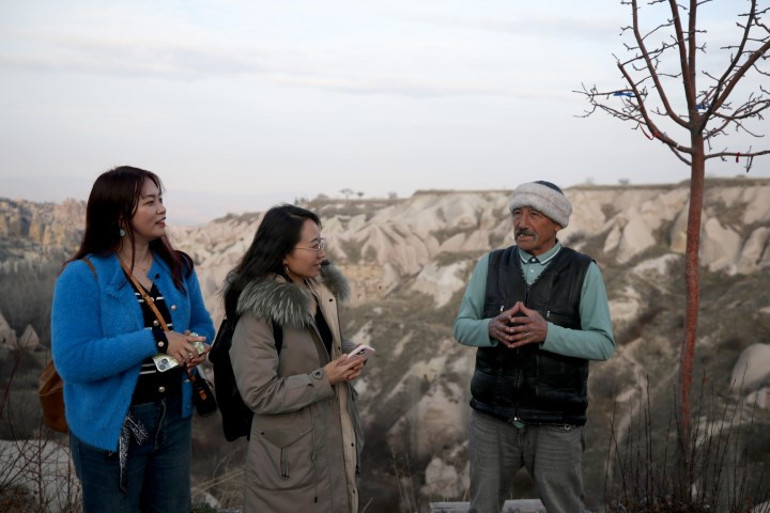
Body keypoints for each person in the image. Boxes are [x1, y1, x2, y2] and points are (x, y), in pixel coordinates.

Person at [51, 166, 215, 513]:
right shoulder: (83, 276)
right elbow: (73, 360)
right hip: (113, 427)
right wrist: (155, 340)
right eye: (150, 202)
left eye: (161, 200)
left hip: (172, 419)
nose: (162, 210)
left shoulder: (178, 266)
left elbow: (202, 323)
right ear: (120, 215)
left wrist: (197, 347)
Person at [454, 180, 615, 513]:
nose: (522, 223)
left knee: (565, 507)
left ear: (556, 223)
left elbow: (602, 344)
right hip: (492, 419)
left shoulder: (584, 271)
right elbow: (462, 328)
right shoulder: (491, 264)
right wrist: (489, 328)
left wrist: (547, 333)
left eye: (534, 214)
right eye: (517, 213)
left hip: (556, 421)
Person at [223, 204, 365, 513]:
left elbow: (311, 347)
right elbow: (259, 393)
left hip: (328, 447)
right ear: (284, 253)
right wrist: (326, 378)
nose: (322, 254)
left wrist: (348, 353)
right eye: (314, 246)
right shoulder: (259, 310)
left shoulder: (316, 291)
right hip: (288, 468)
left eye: (322, 243)